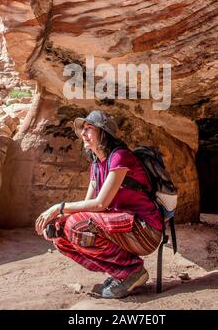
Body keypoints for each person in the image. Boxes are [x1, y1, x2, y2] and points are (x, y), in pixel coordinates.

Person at [35, 110, 162, 298]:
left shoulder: (120, 156)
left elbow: (100, 204)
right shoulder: (96, 165)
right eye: (83, 130)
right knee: (61, 232)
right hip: (124, 228)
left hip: (146, 230)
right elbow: (88, 205)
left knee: (76, 225)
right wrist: (58, 220)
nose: (83, 134)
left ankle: (132, 271)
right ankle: (120, 273)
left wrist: (58, 208)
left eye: (89, 129)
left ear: (103, 133)